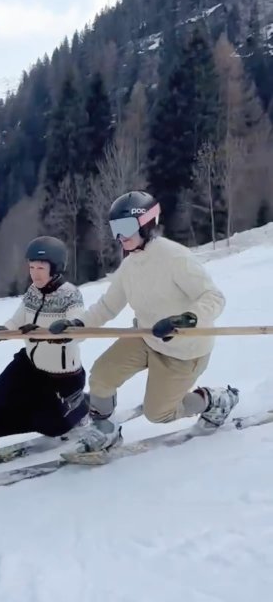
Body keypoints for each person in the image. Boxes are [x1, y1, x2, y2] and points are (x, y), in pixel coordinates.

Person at [48, 190, 239, 453]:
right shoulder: (130, 265)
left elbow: (214, 297)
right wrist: (76, 326)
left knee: (159, 413)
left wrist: (185, 320)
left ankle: (214, 401)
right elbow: (107, 306)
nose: (120, 236)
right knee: (102, 376)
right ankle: (106, 432)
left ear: (147, 224)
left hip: (184, 350)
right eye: (116, 228)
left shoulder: (174, 257)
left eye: (126, 227)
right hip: (146, 336)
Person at [0, 235, 89, 466]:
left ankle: (81, 409)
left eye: (41, 267)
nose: (35, 273)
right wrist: (1, 330)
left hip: (61, 376)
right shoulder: (33, 291)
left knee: (53, 426)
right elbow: (17, 320)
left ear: (56, 268)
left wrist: (49, 331)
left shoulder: (70, 295)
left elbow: (76, 330)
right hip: (29, 365)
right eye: (32, 267)